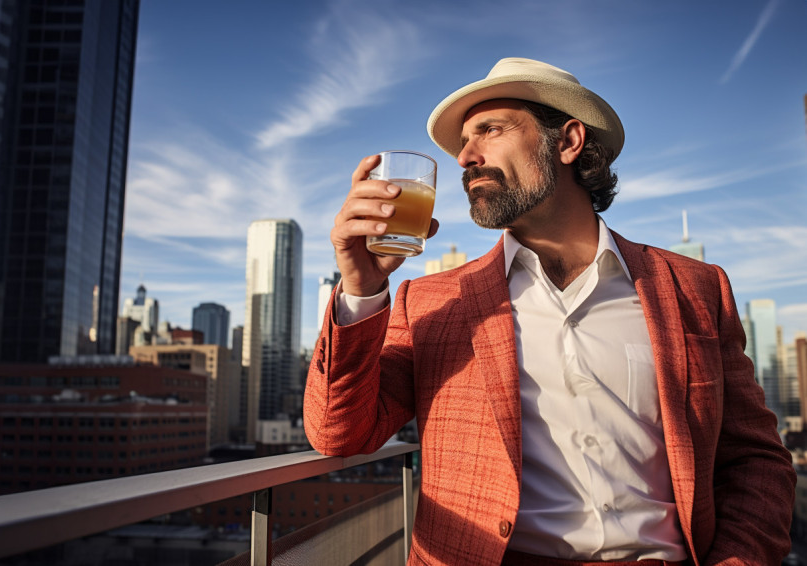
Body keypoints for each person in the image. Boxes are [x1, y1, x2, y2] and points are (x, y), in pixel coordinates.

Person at [303, 57, 796, 566]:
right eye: (461, 144)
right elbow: (339, 434)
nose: (464, 157)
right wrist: (362, 287)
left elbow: (755, 460)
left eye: (489, 130)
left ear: (568, 141)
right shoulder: (432, 301)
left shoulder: (694, 288)